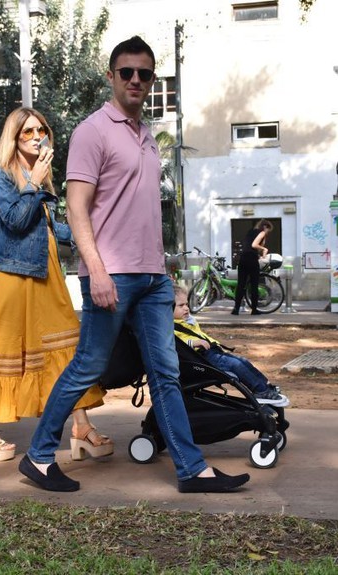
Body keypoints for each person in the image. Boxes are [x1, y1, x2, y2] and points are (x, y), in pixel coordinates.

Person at [18, 36, 250, 493]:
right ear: (112, 76)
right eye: (127, 72)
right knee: (87, 367)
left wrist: (165, 274)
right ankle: (39, 457)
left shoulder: (147, 138)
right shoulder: (93, 131)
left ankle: (191, 469)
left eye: (144, 73)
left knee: (166, 373)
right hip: (112, 275)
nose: (136, 80)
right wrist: (97, 271)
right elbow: (77, 208)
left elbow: (141, 214)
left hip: (152, 278)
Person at [0, 107, 113, 462]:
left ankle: (80, 426)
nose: (37, 137)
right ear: (14, 139)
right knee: (3, 352)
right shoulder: (3, 177)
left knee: (66, 347)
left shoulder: (38, 178)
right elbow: (16, 222)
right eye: (28, 132)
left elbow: (47, 228)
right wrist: (34, 181)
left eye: (41, 130)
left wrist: (88, 233)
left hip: (44, 275)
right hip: (8, 278)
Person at [173, 285, 289, 407]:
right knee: (236, 365)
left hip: (212, 352)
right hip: (203, 359)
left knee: (242, 361)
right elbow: (175, 343)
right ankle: (261, 391)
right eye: (181, 306)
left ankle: (266, 386)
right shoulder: (171, 327)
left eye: (187, 304)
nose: (186, 308)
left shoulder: (187, 321)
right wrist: (193, 343)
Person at [232, 219, 274, 316]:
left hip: (243, 259)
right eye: (268, 231)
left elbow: (248, 247)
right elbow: (254, 245)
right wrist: (264, 248)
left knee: (241, 285)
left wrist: (258, 254)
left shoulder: (250, 232)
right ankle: (254, 310)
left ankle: (236, 309)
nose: (267, 233)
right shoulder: (262, 232)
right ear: (265, 227)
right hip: (251, 261)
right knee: (254, 284)